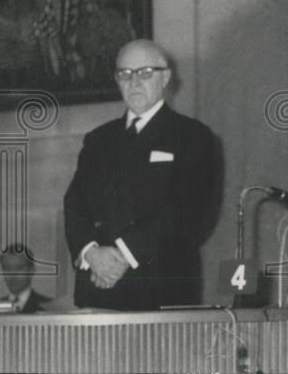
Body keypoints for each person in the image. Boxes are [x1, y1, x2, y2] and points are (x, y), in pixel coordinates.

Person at [63, 39, 217, 310]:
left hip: (161, 291)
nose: (134, 82)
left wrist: (124, 255)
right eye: (125, 74)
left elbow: (191, 214)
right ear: (117, 80)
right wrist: (91, 253)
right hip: (97, 289)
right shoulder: (98, 140)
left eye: (145, 73)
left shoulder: (193, 136)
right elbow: (75, 204)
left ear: (165, 78)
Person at [0, 243, 51, 313]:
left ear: (31, 270)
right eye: (7, 268)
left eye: (19, 268)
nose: (13, 274)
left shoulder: (48, 307)